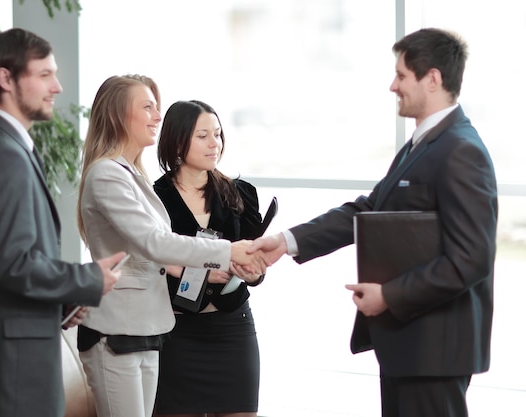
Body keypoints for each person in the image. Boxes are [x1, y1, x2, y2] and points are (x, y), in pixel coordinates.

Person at [249, 28, 497, 417]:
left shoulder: (460, 151)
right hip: (411, 347)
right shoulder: (425, 144)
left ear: (432, 79)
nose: (392, 86)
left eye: (401, 76)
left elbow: (471, 259)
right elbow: (369, 210)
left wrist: (390, 296)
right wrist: (286, 240)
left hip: (433, 350)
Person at [0, 28, 124, 417]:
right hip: (9, 367)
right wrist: (87, 280)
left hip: (6, 360)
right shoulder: (1, 155)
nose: (56, 86)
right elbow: (13, 263)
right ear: (5, 78)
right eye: (43, 75)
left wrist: (64, 303)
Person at [76, 76, 266, 417]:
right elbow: (155, 243)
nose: (157, 116)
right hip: (128, 327)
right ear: (120, 115)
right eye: (147, 107)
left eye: (218, 134)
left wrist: (241, 265)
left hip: (151, 328)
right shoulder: (110, 174)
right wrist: (225, 255)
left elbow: (149, 254)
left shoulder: (132, 175)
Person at [152, 100, 264, 417]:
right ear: (176, 140)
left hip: (234, 329)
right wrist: (190, 272)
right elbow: (145, 265)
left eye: (217, 134)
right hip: (178, 334)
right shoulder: (153, 198)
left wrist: (252, 271)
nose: (214, 143)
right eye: (203, 136)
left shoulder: (241, 193)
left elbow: (257, 271)